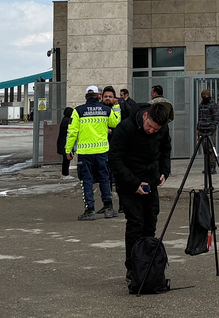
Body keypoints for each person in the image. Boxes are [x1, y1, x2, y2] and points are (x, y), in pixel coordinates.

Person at [108, 101, 173, 291]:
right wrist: (133, 183)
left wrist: (164, 171)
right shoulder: (126, 128)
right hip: (129, 181)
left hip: (151, 179)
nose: (152, 131)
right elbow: (114, 159)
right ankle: (133, 267)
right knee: (136, 223)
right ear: (145, 116)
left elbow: (165, 150)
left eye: (156, 129)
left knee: (150, 222)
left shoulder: (162, 129)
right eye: (150, 127)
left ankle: (148, 262)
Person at [65, 85, 120, 221]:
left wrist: (68, 150)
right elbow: (115, 123)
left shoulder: (78, 111)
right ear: (98, 96)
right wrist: (116, 107)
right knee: (105, 179)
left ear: (85, 97)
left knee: (87, 181)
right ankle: (108, 208)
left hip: (85, 153)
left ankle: (90, 210)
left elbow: (72, 133)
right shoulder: (106, 109)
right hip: (102, 151)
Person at [57, 106, 74, 178]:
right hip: (65, 143)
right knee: (66, 159)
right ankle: (65, 174)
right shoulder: (67, 121)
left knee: (66, 159)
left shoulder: (65, 120)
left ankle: (65, 173)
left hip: (63, 142)